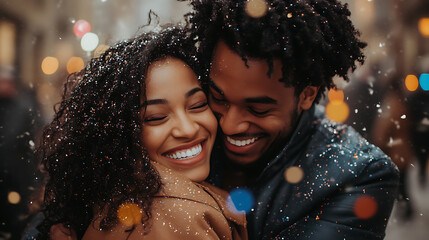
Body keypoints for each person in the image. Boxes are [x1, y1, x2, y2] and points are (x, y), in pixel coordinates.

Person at [185, 0, 400, 239]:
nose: (229, 125)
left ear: (306, 95)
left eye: (257, 109)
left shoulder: (360, 175)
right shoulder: (184, 138)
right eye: (218, 98)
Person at [36, 27, 247, 239]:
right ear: (118, 134)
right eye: (156, 117)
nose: (188, 129)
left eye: (197, 105)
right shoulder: (179, 215)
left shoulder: (117, 198)